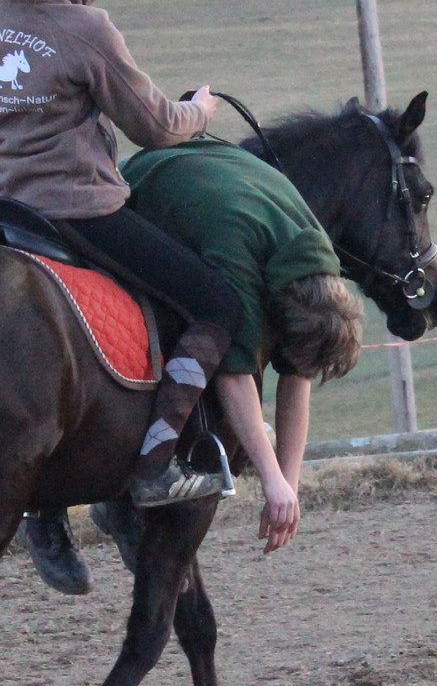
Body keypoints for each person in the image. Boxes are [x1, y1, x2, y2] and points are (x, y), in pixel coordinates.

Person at [0, 0, 241, 513]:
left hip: (3, 215)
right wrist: (201, 110)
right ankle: (159, 464)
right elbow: (153, 125)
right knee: (216, 303)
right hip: (79, 214)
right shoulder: (87, 28)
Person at [34, 138, 366, 589]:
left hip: (211, 177)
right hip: (140, 190)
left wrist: (289, 486)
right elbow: (233, 376)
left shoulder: (316, 263)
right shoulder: (239, 262)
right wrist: (270, 480)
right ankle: (52, 504)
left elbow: (296, 380)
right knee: (208, 327)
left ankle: (119, 504)